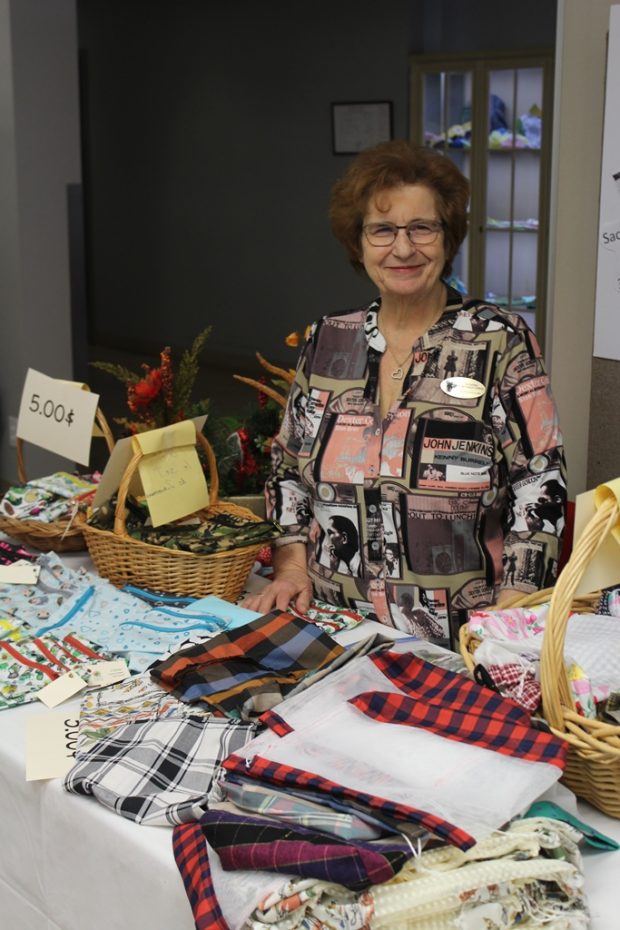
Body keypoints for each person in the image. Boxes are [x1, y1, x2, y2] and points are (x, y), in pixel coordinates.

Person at [245, 140, 567, 646]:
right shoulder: (328, 340)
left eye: (422, 227)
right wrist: (291, 569)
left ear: (448, 236)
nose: (402, 248)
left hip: (464, 640)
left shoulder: (499, 339)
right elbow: (288, 471)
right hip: (335, 631)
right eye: (383, 230)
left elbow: (539, 483)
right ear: (359, 241)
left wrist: (515, 610)